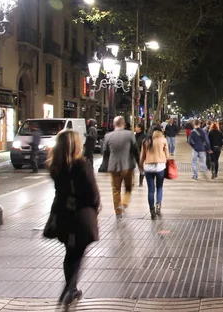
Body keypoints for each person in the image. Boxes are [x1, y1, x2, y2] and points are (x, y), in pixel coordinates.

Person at [45, 130, 100, 307]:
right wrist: (95, 208)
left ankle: (72, 288)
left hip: (62, 214)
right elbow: (92, 193)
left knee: (70, 252)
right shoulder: (82, 165)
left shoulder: (55, 166)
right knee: (76, 254)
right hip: (82, 215)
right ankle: (69, 289)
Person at [104, 116, 139, 218]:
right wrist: (139, 163)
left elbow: (105, 152)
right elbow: (135, 150)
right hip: (127, 166)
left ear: (114, 124)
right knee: (128, 187)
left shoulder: (108, 136)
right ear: (123, 124)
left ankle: (117, 211)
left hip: (113, 166)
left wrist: (106, 166)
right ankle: (124, 203)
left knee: (115, 189)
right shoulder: (130, 134)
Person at [139, 127, 170, 219]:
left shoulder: (145, 141)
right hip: (160, 166)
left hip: (148, 167)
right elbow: (167, 155)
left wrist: (141, 166)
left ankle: (151, 210)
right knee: (159, 187)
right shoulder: (163, 140)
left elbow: (142, 156)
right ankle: (158, 207)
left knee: (151, 190)